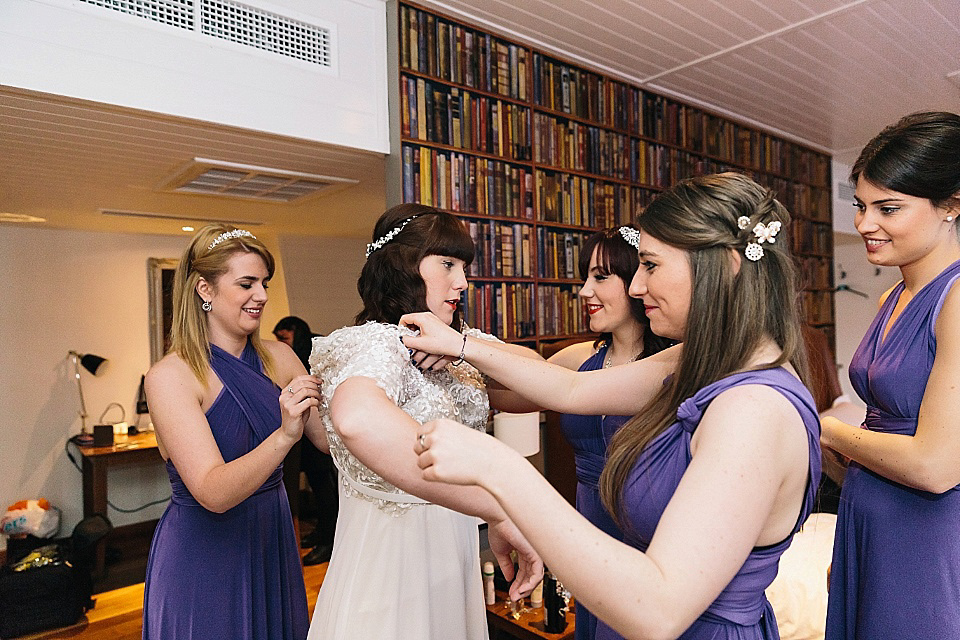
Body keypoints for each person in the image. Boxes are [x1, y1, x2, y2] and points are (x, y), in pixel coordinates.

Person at [402, 172, 823, 639]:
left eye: (651, 265)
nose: (637, 288)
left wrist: (501, 470)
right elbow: (572, 391)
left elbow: (659, 611)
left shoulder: (753, 409)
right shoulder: (701, 360)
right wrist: (463, 346)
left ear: (725, 265)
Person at [306, 203, 542, 639]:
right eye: (447, 264)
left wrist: (462, 346)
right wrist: (495, 503)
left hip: (451, 552)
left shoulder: (456, 342)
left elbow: (536, 385)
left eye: (464, 267)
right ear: (403, 266)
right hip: (396, 559)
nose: (462, 282)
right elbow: (356, 418)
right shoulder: (377, 343)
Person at [143, 225, 326, 640]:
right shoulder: (171, 377)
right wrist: (283, 436)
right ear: (204, 289)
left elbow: (328, 440)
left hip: (272, 538)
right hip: (205, 553)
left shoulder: (280, 357)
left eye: (264, 282)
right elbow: (213, 492)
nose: (261, 295)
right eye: (246, 283)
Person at [819, 112, 960, 640]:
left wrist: (828, 429)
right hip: (869, 521)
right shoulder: (890, 297)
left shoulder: (956, 298)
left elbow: (935, 466)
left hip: (926, 535)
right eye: (860, 205)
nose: (864, 224)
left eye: (888, 208)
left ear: (951, 206)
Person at [532, 226, 674, 640]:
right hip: (588, 523)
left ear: (636, 280)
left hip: (641, 526)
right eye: (584, 277)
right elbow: (515, 384)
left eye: (599, 277)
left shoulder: (672, 365)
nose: (583, 291)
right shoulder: (583, 357)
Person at [272, 316, 339, 566]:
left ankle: (328, 540)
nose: (282, 343)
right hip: (301, 434)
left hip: (316, 427)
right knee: (317, 484)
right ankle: (322, 533)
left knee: (323, 487)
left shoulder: (315, 349)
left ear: (296, 333)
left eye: (285, 337)